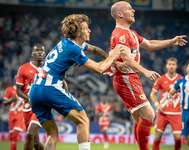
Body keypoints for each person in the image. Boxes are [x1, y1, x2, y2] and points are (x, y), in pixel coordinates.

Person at [29, 14, 123, 150]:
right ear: (78, 32)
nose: (89, 30)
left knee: (53, 134)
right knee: (83, 120)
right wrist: (114, 55)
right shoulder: (73, 49)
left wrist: (114, 62)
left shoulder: (67, 42)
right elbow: (98, 68)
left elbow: (96, 50)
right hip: (49, 87)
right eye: (86, 28)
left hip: (35, 91)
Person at [104, 1, 188, 150]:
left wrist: (171, 41)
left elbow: (149, 44)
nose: (134, 11)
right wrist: (145, 71)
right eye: (130, 9)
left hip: (130, 78)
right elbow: (126, 58)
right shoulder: (120, 34)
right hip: (126, 79)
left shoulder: (131, 33)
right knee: (149, 114)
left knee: (138, 117)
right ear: (120, 14)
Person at [16, 44, 46, 150]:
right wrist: (30, 99)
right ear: (32, 53)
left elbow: (63, 83)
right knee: (36, 142)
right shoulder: (23, 68)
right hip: (27, 108)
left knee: (29, 135)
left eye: (41, 50)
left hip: (41, 108)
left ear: (44, 53)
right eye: (36, 50)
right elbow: (18, 90)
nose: (39, 52)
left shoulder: (48, 68)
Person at [150, 57, 183, 150]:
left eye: (173, 64)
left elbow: (186, 94)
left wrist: (183, 105)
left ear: (176, 66)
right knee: (157, 137)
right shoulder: (161, 79)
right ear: (166, 66)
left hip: (177, 113)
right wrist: (157, 105)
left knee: (177, 138)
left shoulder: (181, 79)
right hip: (162, 113)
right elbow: (152, 94)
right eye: (169, 64)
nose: (171, 66)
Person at [168, 59, 189, 150]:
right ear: (187, 69)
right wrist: (170, 99)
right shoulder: (180, 82)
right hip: (184, 113)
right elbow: (171, 93)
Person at [3, 75, 23, 150]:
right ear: (14, 80)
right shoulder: (9, 90)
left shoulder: (24, 90)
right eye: (16, 79)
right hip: (11, 115)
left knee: (15, 135)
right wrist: (11, 100)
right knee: (12, 137)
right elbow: (5, 103)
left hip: (20, 115)